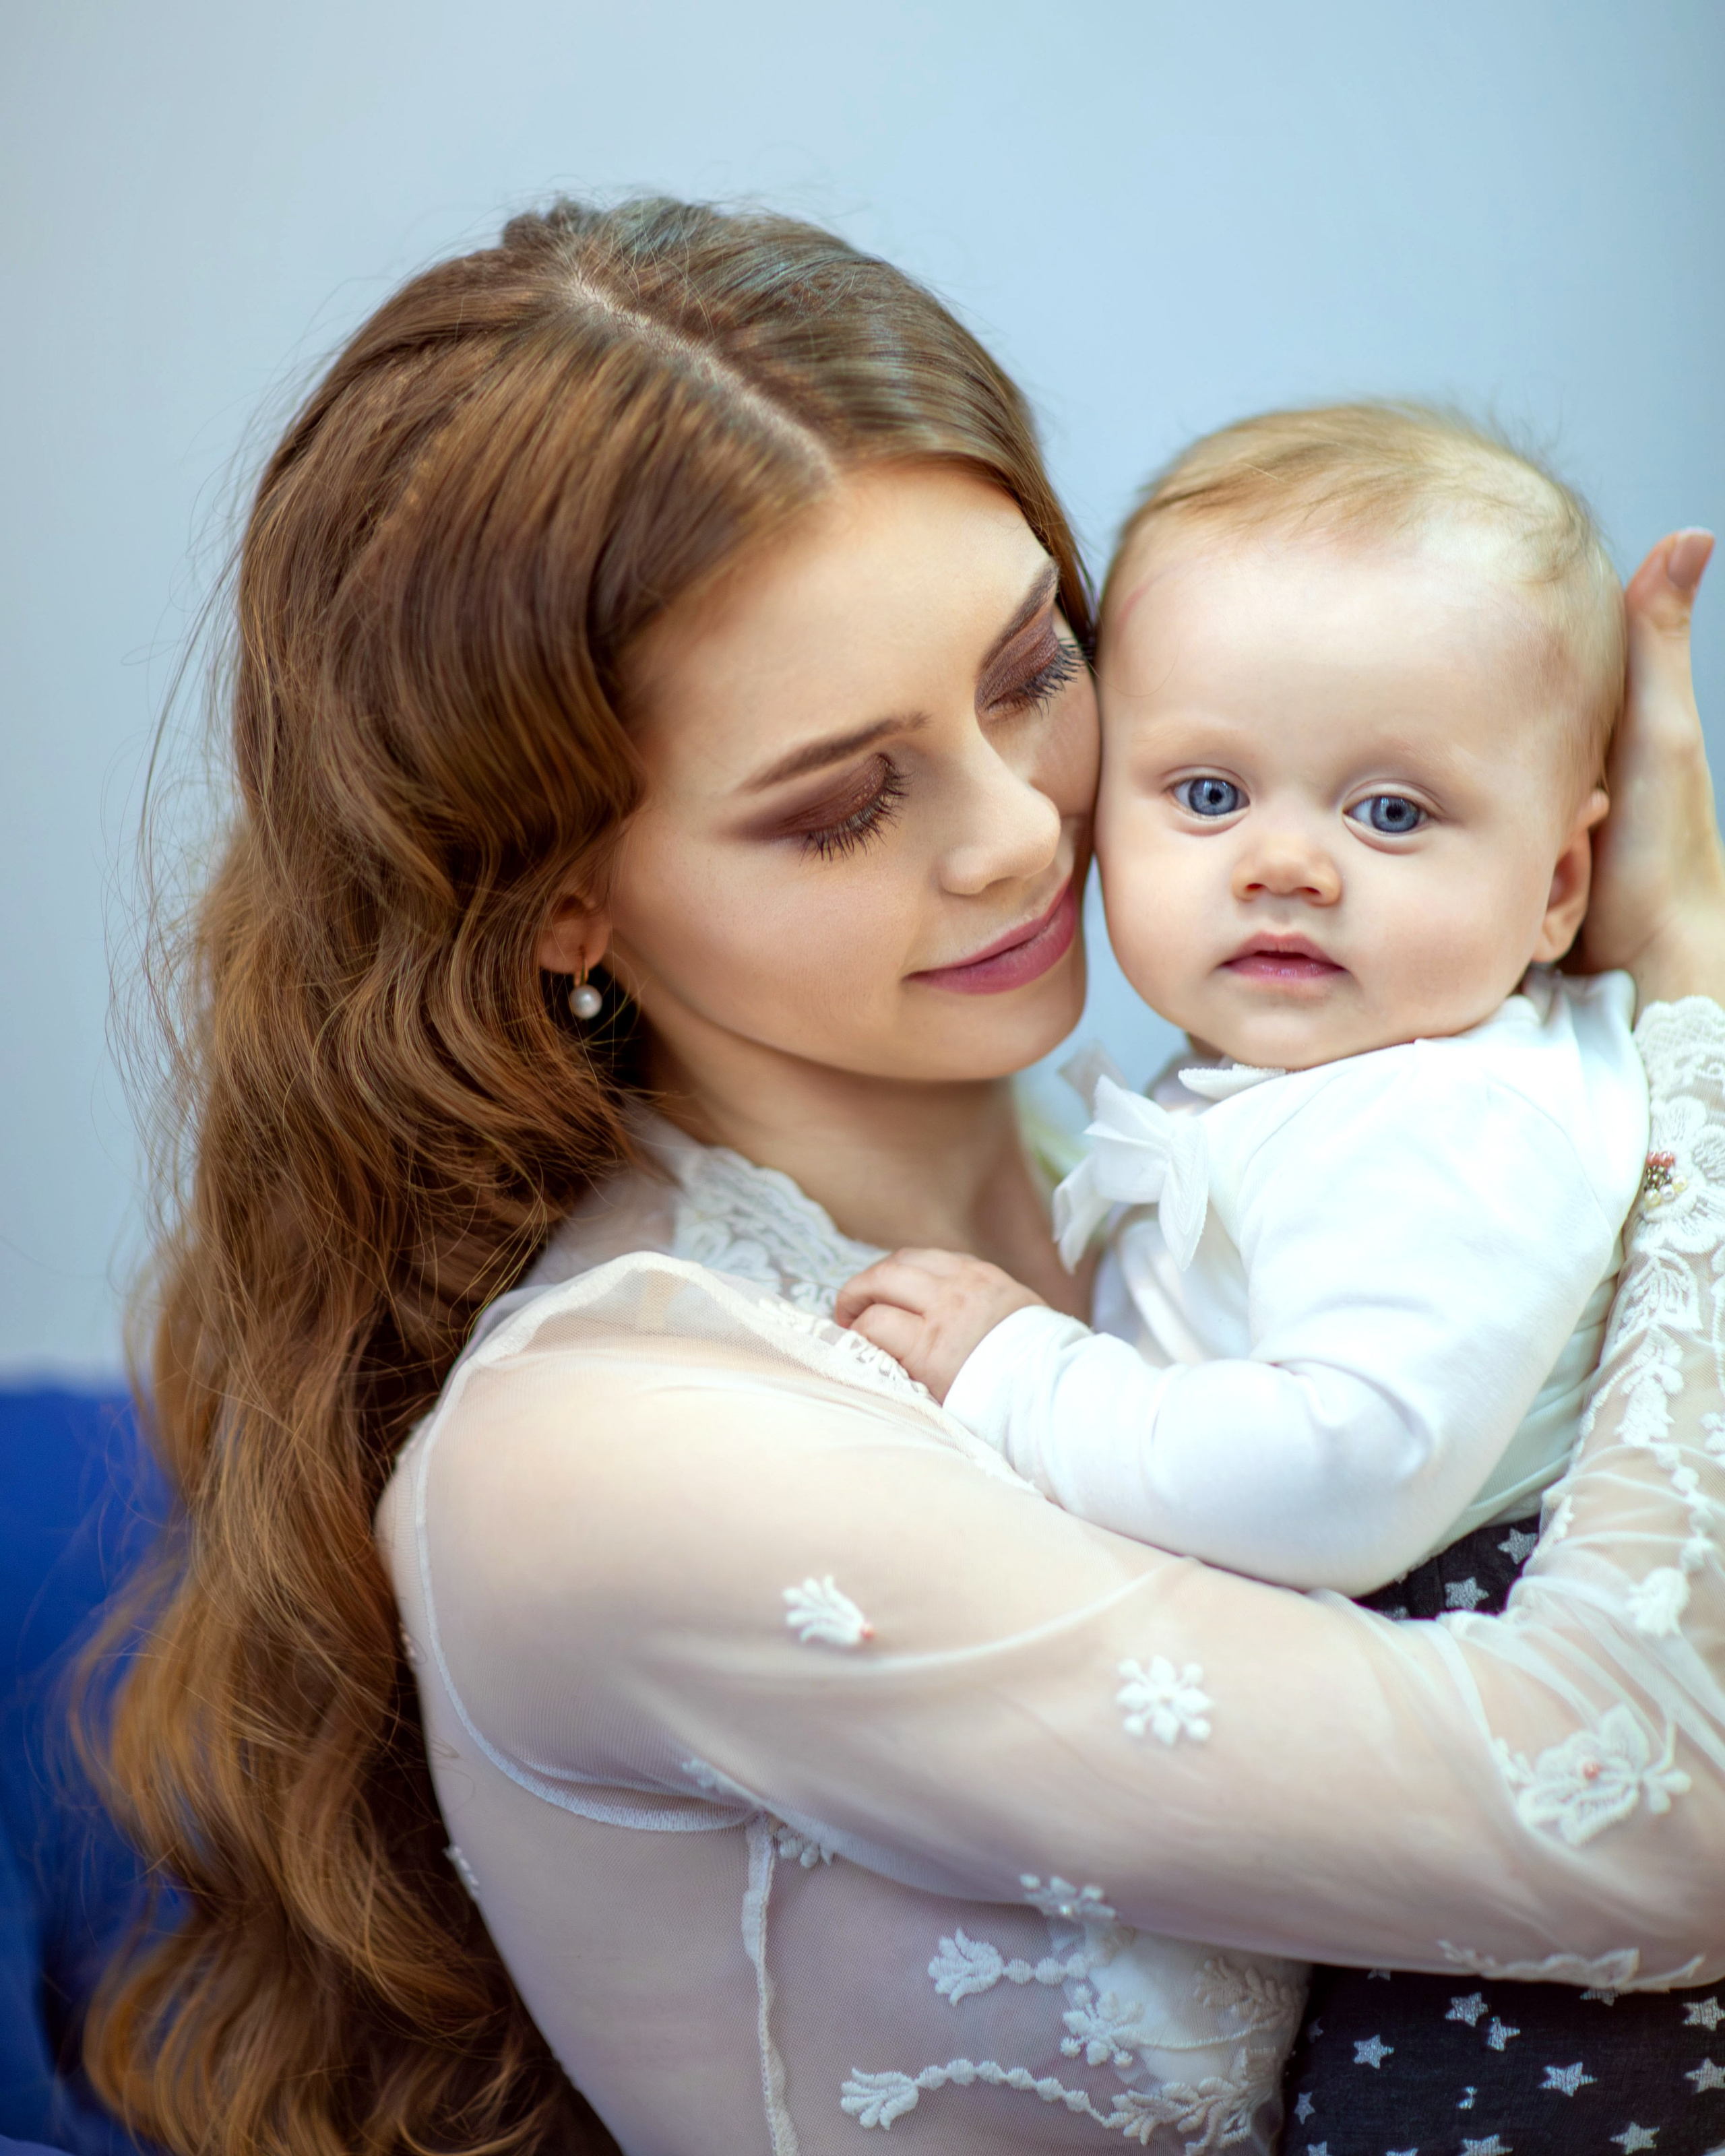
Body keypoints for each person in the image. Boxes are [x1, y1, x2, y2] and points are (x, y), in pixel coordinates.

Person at [86, 198, 1725, 2156]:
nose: (1019, 840)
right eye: (845, 803)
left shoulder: (1154, 1148)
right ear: (562, 904)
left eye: (1034, 672)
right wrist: (1687, 1000)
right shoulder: (607, 1457)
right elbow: (1650, 1821)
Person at [834, 404, 1653, 1599]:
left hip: (1428, 1626)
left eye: (1390, 814)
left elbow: (1340, 1483)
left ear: (1559, 885)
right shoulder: (1328, 1078)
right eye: (1212, 793)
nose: (1286, 867)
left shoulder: (1454, 1126)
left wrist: (1020, 1373)